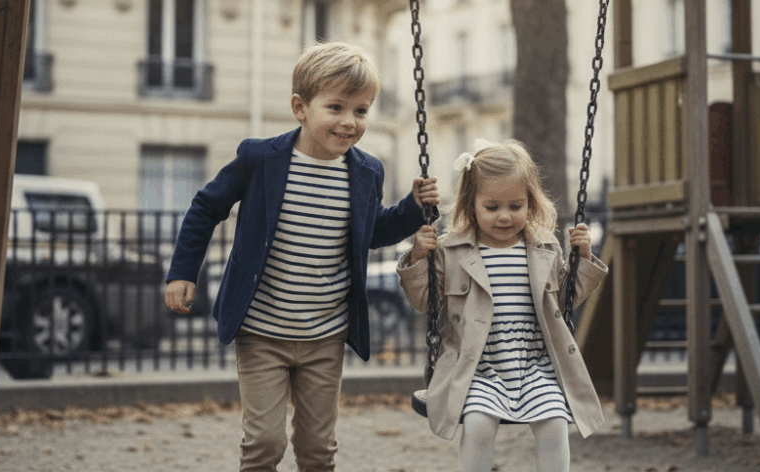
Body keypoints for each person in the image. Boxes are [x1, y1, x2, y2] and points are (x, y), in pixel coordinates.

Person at [164, 41, 440, 472]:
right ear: (300, 107)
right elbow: (206, 207)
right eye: (335, 107)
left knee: (317, 449)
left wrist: (412, 207)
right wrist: (183, 271)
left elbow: (372, 232)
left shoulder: (367, 170)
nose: (349, 122)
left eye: (361, 110)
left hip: (326, 335)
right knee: (264, 443)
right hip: (261, 332)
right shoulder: (261, 159)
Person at [397, 139, 607, 472]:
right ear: (472, 204)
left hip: (534, 366)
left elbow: (565, 299)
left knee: (555, 426)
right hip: (479, 369)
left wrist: (582, 258)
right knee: (479, 426)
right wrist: (418, 258)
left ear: (530, 203)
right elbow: (424, 300)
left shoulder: (545, 246)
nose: (505, 216)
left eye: (515, 206)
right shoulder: (452, 250)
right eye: (492, 207)